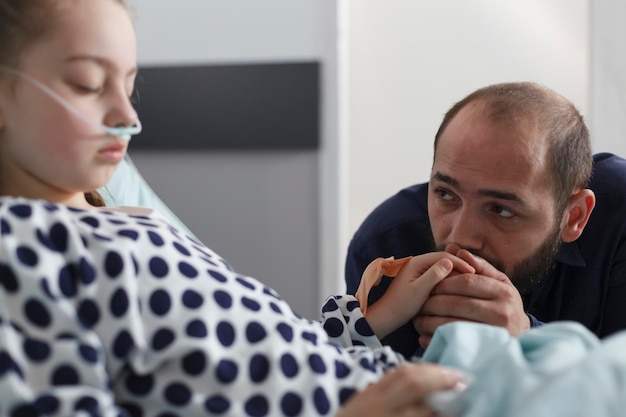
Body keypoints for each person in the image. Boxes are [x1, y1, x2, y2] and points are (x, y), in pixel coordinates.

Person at [0, 1, 471, 415]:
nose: (128, 116)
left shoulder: (123, 222)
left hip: (400, 381)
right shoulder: (20, 248)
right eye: (87, 84)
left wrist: (370, 321)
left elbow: (250, 356)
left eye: (129, 84)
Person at [345, 81, 626, 358]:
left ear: (573, 216)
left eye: (501, 210)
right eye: (446, 194)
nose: (460, 237)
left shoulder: (618, 222)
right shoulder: (384, 243)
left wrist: (528, 340)